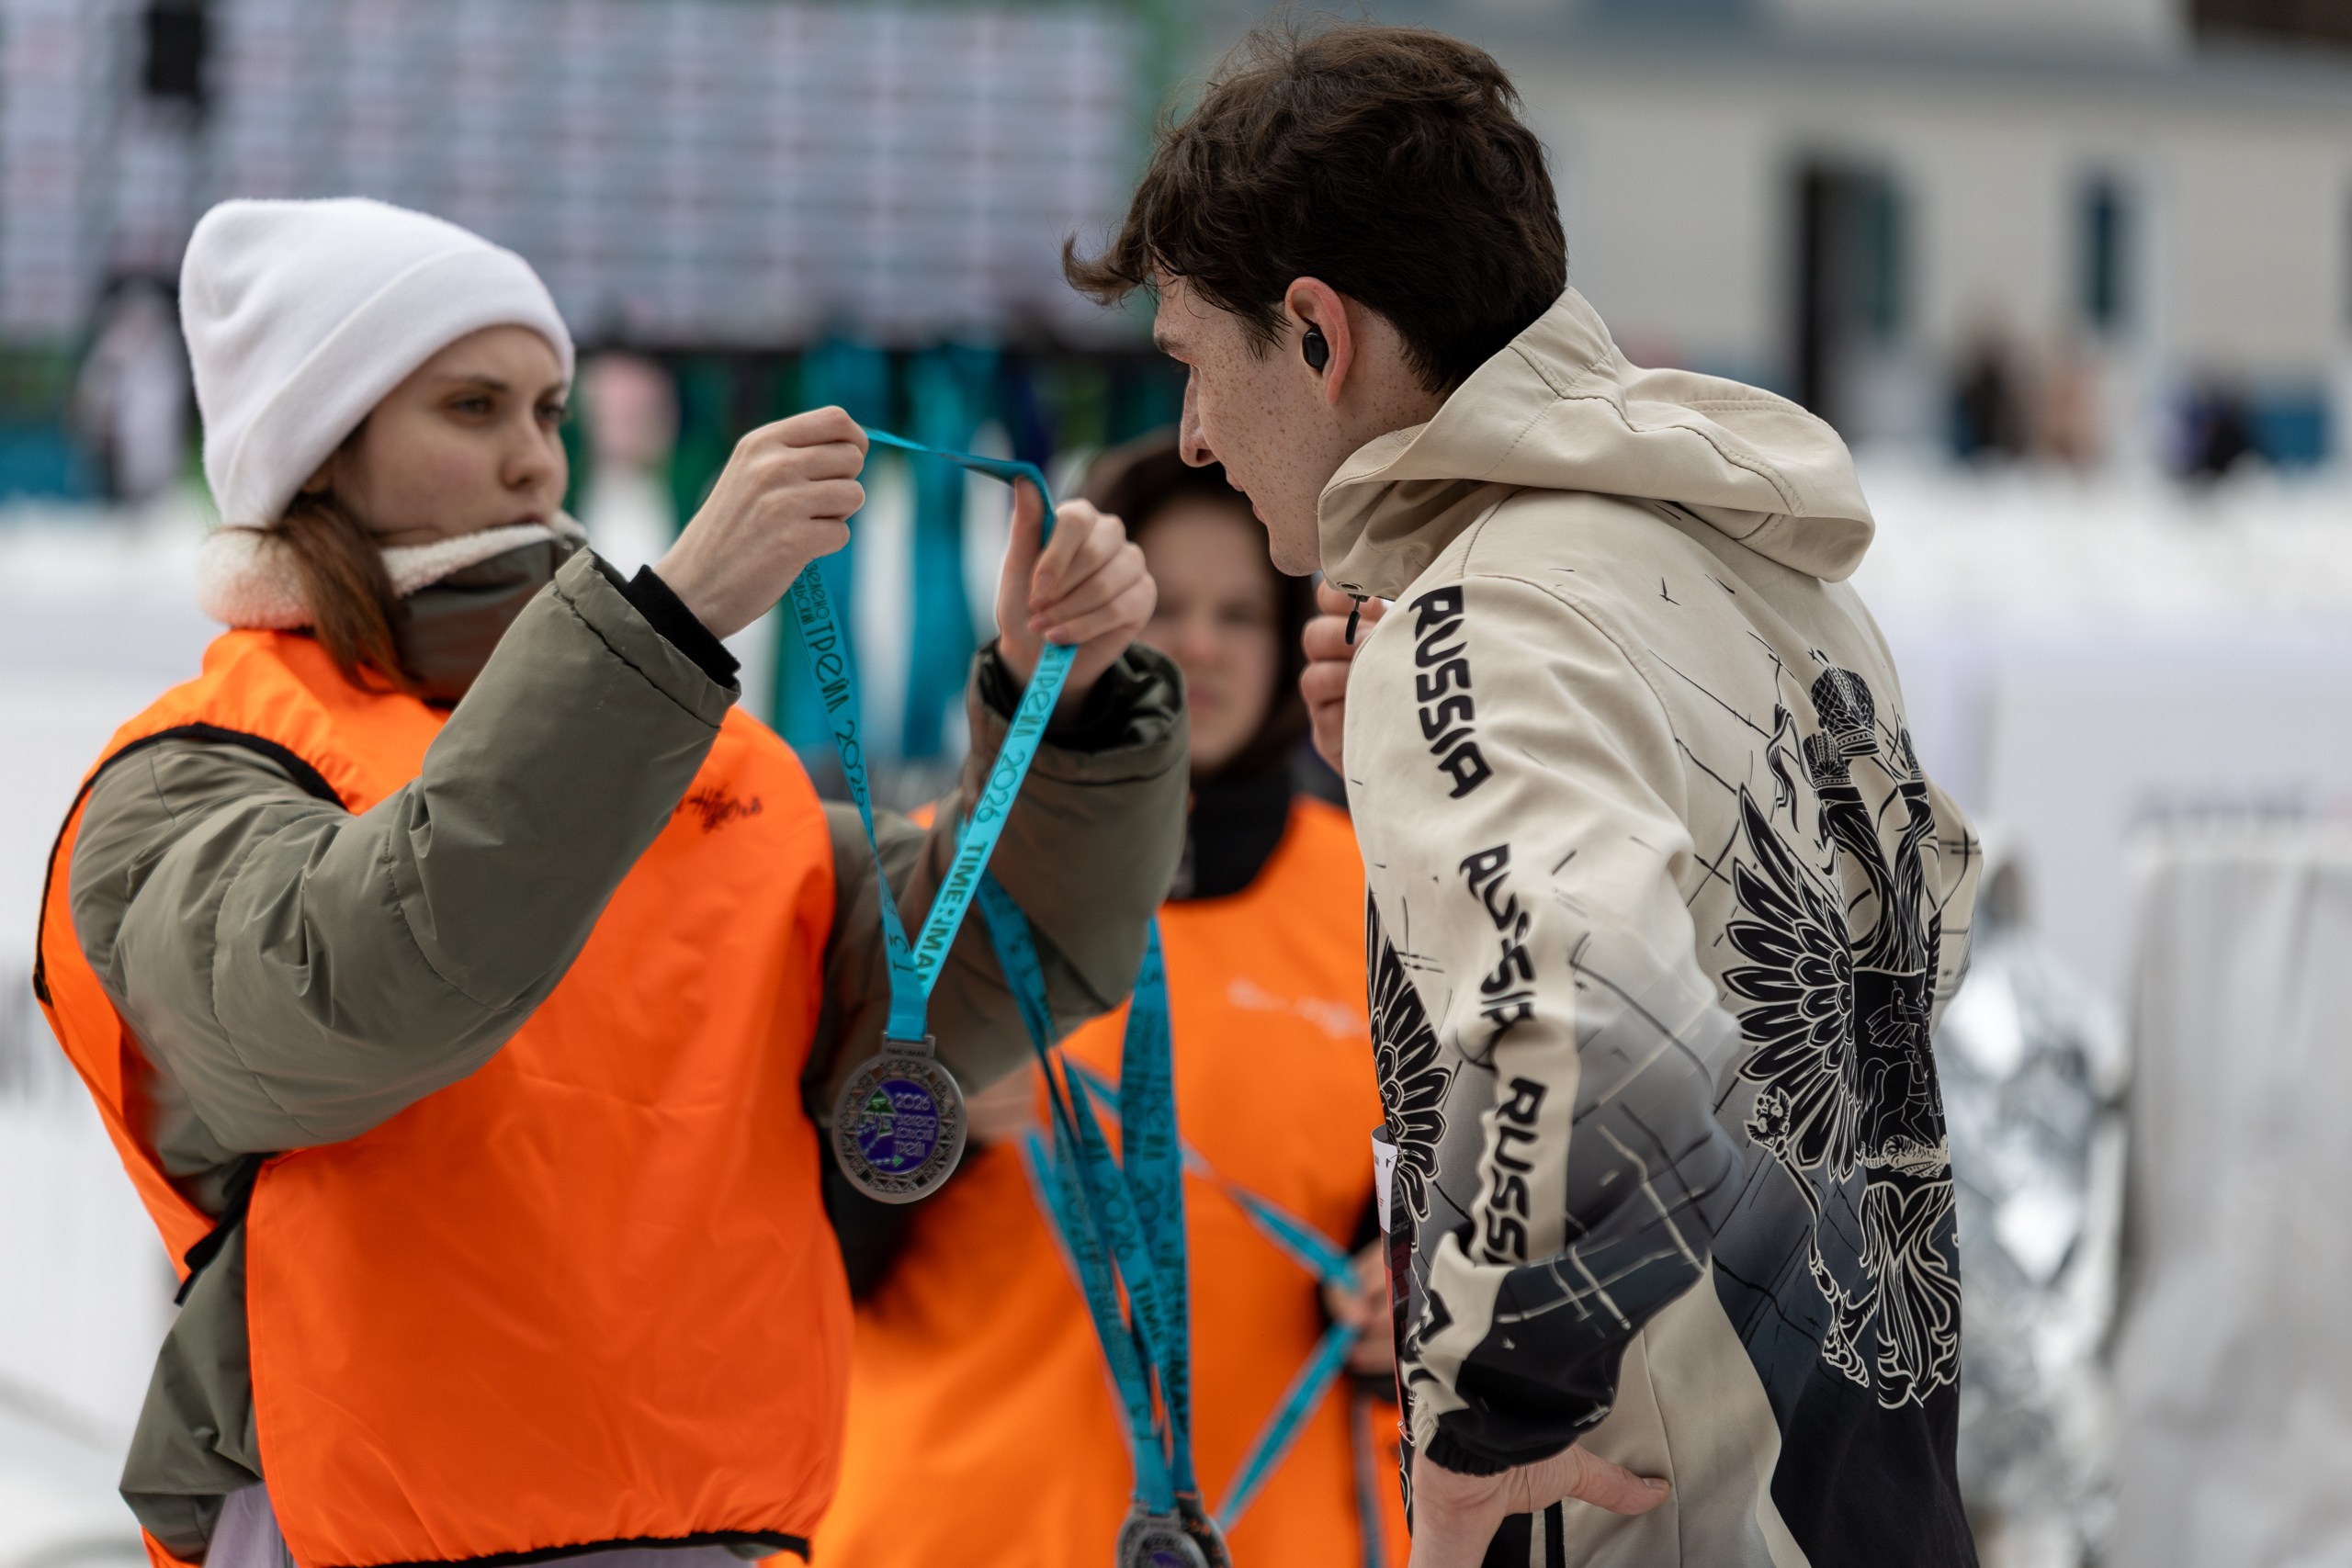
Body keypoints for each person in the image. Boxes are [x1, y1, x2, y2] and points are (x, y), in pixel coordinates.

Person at [35, 197, 1187, 1568]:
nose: (534, 457)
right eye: (472, 406)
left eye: (550, 406)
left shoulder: (707, 752)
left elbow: (974, 980)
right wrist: (668, 617)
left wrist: (1065, 704)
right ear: (319, 447)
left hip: (726, 1528)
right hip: (365, 1535)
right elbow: (357, 1003)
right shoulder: (193, 769)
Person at [1064, 24, 1982, 1568]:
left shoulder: (1480, 619)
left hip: (1659, 1511)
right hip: (1850, 1487)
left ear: (1314, 331)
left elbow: (1605, 1042)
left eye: (1194, 368)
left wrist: (1491, 1414)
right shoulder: (1717, 562)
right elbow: (1904, 944)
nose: (1197, 436)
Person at [813, 436, 1408, 1567]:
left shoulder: (1387, 902)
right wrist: (911, 1126)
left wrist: (1417, 1293)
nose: (1199, 644)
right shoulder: (943, 885)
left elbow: (1489, 1210)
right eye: (1162, 607)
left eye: (1239, 616)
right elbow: (781, 1251)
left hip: (1272, 1530)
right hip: (949, 1528)